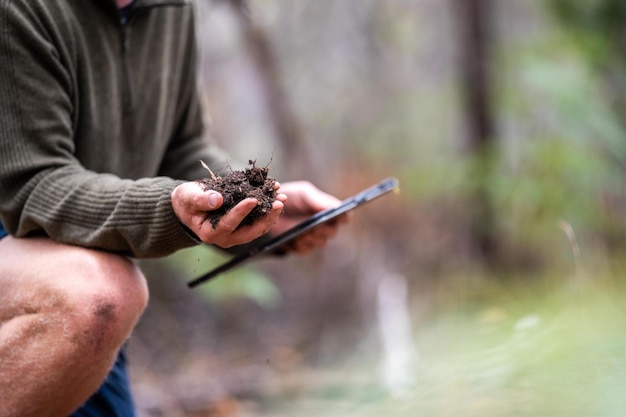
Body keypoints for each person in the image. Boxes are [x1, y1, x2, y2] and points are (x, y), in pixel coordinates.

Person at [0, 0, 346, 416]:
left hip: (82, 262)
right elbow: (34, 183)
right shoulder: (20, 10)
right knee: (103, 293)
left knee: (101, 301)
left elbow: (182, 147)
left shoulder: (170, 8)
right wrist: (169, 208)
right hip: (30, 252)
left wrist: (256, 210)